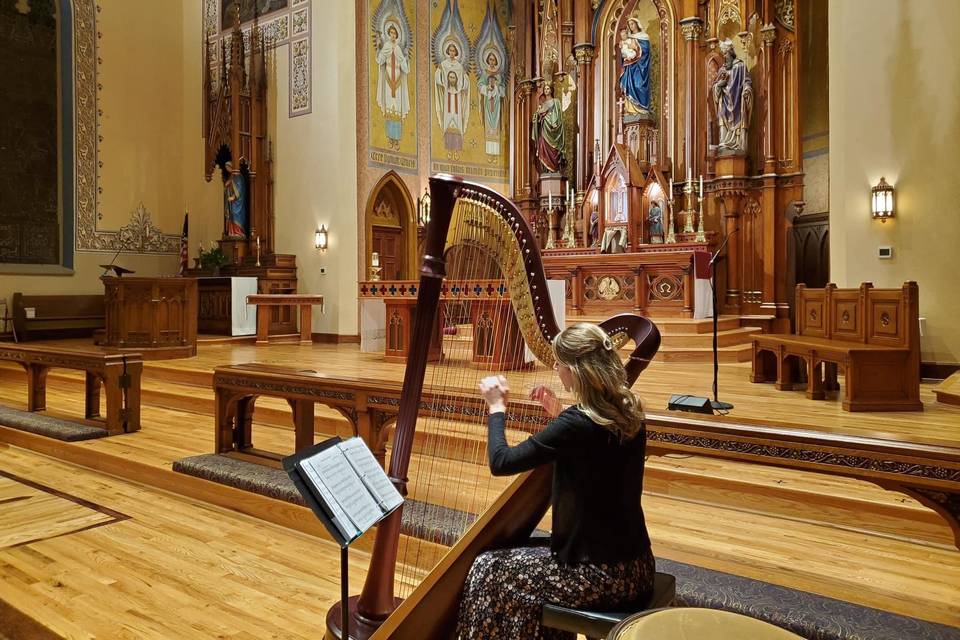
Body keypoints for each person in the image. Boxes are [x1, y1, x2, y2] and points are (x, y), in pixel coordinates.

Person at [456, 323, 655, 640]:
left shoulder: (575, 425)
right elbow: (593, 446)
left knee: (486, 568)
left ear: (577, 370)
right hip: (637, 567)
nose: (555, 368)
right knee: (519, 562)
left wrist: (496, 408)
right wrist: (558, 411)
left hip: (598, 575)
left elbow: (502, 462)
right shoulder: (629, 408)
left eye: (559, 363)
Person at [531, 84, 565, 173]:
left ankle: (554, 168)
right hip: (544, 130)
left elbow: (558, 115)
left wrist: (553, 121)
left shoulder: (556, 101)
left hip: (553, 129)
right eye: (545, 89)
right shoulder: (542, 105)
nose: (546, 90)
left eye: (548, 88)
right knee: (544, 148)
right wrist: (537, 115)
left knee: (554, 151)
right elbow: (537, 118)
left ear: (551, 90)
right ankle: (547, 170)